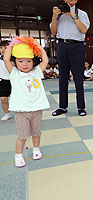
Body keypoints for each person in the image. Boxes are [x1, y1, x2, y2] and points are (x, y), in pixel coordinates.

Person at [3, 37, 50, 167]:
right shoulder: (14, 73)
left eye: (28, 61)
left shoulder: (36, 72)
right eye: (21, 61)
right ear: (15, 62)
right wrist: (11, 45)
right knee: (22, 136)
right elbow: (6, 59)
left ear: (33, 61)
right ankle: (18, 155)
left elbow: (45, 60)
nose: (25, 64)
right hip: (21, 111)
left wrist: (38, 47)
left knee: (36, 133)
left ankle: (36, 149)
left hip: (36, 109)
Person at [50, 0, 90, 117]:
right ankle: (62, 107)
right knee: (63, 77)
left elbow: (83, 30)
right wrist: (54, 16)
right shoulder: (59, 13)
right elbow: (53, 32)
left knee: (78, 77)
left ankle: (81, 107)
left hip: (77, 46)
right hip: (62, 45)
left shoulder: (82, 13)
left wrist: (72, 14)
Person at [0, 40, 12, 121]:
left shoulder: (15, 59)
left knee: (18, 97)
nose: (3, 50)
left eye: (5, 48)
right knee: (3, 99)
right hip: (3, 81)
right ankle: (7, 114)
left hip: (14, 81)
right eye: (1, 48)